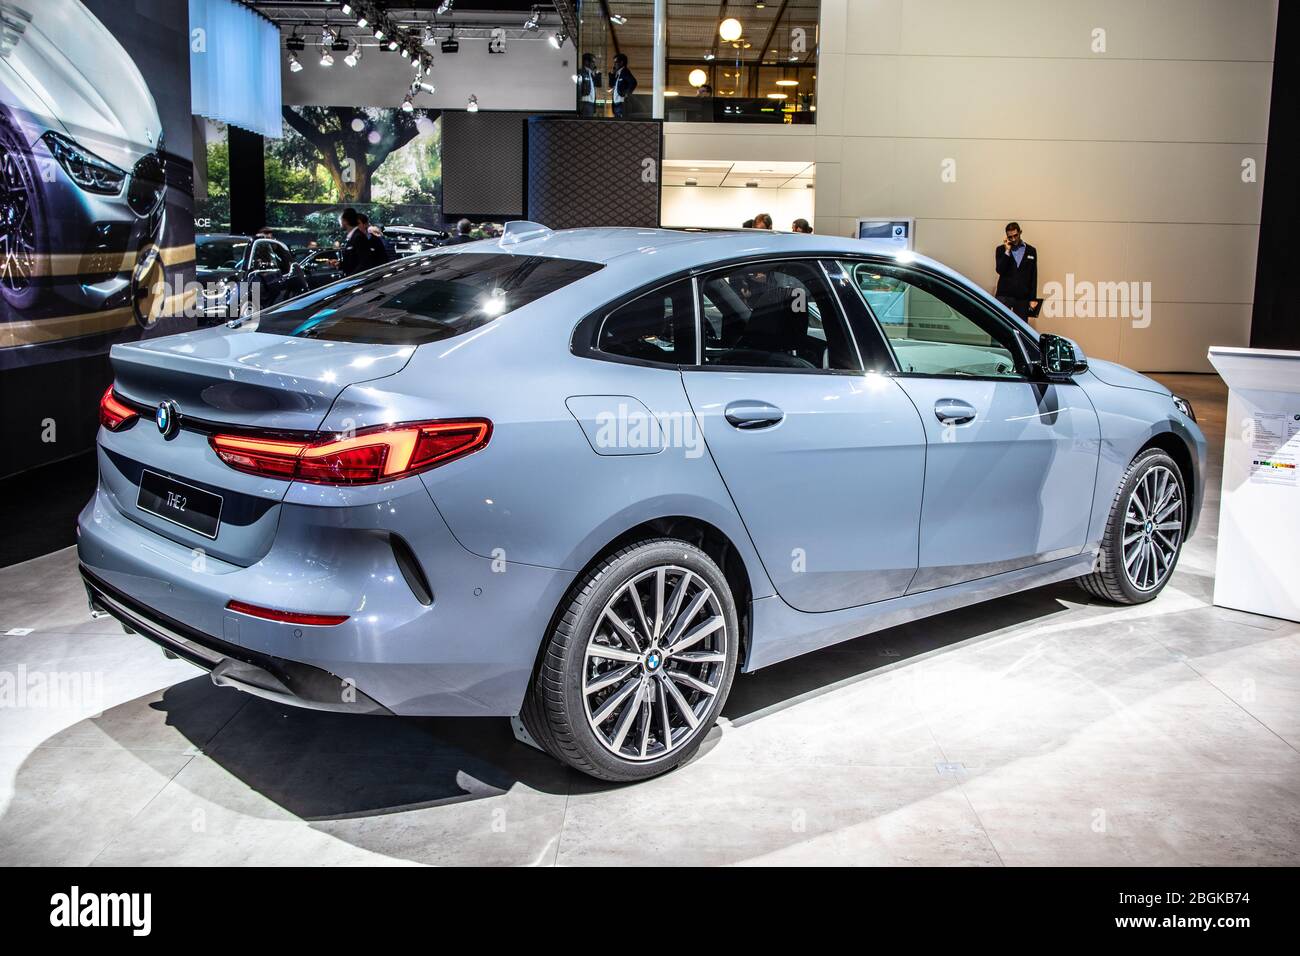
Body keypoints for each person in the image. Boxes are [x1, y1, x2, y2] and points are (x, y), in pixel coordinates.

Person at [994, 221, 1039, 321]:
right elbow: (1000, 270)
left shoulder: (1031, 250)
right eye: (1010, 237)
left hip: (1022, 298)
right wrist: (1007, 251)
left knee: (1021, 328)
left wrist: (1033, 298)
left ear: (1020, 232)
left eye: (1015, 235)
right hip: (1004, 296)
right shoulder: (1001, 250)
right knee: (1001, 324)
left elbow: (1033, 275)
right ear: (1007, 236)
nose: (1013, 239)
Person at [338, 207, 372, 275]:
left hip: (356, 280)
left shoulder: (358, 237)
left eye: (341, 220)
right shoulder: (352, 237)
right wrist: (340, 264)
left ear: (345, 221)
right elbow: (352, 261)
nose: (340, 223)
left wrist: (351, 278)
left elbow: (364, 262)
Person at [610, 53, 637, 118]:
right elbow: (611, 85)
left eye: (615, 62)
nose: (614, 64)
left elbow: (633, 82)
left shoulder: (625, 72)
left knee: (621, 123)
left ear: (621, 62)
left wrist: (626, 94)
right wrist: (612, 75)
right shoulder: (618, 73)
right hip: (616, 103)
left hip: (621, 103)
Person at [577, 53, 600, 118]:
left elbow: (598, 85)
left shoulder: (591, 74)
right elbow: (578, 89)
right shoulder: (581, 72)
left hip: (591, 103)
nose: (594, 64)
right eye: (593, 62)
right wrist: (579, 104)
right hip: (585, 103)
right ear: (586, 62)